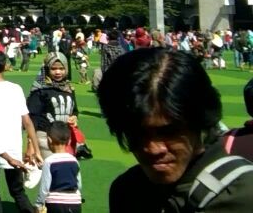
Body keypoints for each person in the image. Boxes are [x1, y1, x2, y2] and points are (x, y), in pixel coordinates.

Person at [100, 47, 253, 211]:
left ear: (200, 120)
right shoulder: (128, 190)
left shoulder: (240, 194)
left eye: (168, 132)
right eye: (137, 134)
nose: (153, 149)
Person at [0, 51, 42, 213]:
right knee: (17, 190)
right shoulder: (15, 88)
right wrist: (36, 149)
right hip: (13, 148)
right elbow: (27, 122)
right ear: (5, 66)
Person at [27, 53, 91, 160]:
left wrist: (74, 117)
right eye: (53, 68)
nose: (58, 72)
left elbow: (74, 110)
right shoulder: (40, 90)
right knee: (50, 171)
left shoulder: (68, 88)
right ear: (47, 69)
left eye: (61, 68)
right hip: (46, 139)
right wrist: (31, 144)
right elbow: (32, 119)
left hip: (66, 138)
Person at [34, 121, 82, 213]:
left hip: (55, 204)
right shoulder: (74, 160)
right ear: (68, 141)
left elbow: (45, 188)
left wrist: (38, 204)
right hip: (75, 203)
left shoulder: (49, 161)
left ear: (49, 140)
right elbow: (79, 184)